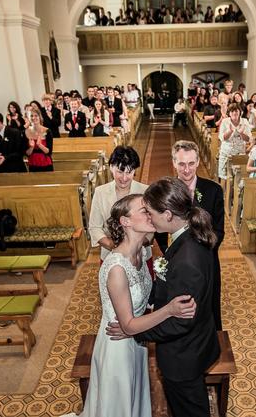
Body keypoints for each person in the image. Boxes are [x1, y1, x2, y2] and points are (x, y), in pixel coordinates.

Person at [64, 194, 196, 417]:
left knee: (134, 400)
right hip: (117, 347)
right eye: (144, 210)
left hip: (136, 340)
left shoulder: (141, 252)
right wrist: (169, 310)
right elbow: (127, 325)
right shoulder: (117, 268)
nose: (151, 213)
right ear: (125, 221)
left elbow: (144, 302)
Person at [108, 177, 220, 417]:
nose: (149, 218)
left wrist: (134, 331)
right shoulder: (189, 236)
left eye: (150, 213)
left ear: (168, 215)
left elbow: (180, 322)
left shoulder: (187, 258)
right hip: (195, 345)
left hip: (183, 357)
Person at [155, 141, 225, 330]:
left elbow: (219, 231)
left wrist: (199, 252)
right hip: (175, 261)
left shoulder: (213, 190)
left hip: (207, 260)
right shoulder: (164, 191)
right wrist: (171, 252)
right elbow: (158, 229)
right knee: (177, 305)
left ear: (198, 161)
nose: (187, 170)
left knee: (208, 304)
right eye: (181, 164)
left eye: (191, 163)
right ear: (173, 162)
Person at [89, 147, 149, 262]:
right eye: (120, 172)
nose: (124, 178)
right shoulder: (100, 192)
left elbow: (152, 225)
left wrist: (135, 245)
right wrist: (111, 245)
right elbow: (94, 227)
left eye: (129, 172)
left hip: (139, 253)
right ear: (111, 167)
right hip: (110, 254)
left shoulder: (145, 191)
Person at [218, 103, 252, 180]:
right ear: (229, 113)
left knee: (238, 177)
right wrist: (230, 131)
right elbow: (222, 138)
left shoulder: (245, 121)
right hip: (226, 153)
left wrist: (241, 133)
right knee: (225, 177)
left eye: (236, 111)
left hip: (239, 153)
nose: (234, 113)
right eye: (232, 111)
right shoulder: (225, 121)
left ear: (240, 112)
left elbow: (248, 139)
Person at [24, 108, 53, 172]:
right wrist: (31, 147)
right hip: (32, 163)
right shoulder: (26, 131)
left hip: (46, 163)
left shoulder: (47, 131)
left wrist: (39, 145)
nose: (33, 118)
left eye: (36, 115)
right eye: (31, 116)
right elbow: (27, 154)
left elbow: (49, 152)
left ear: (40, 117)